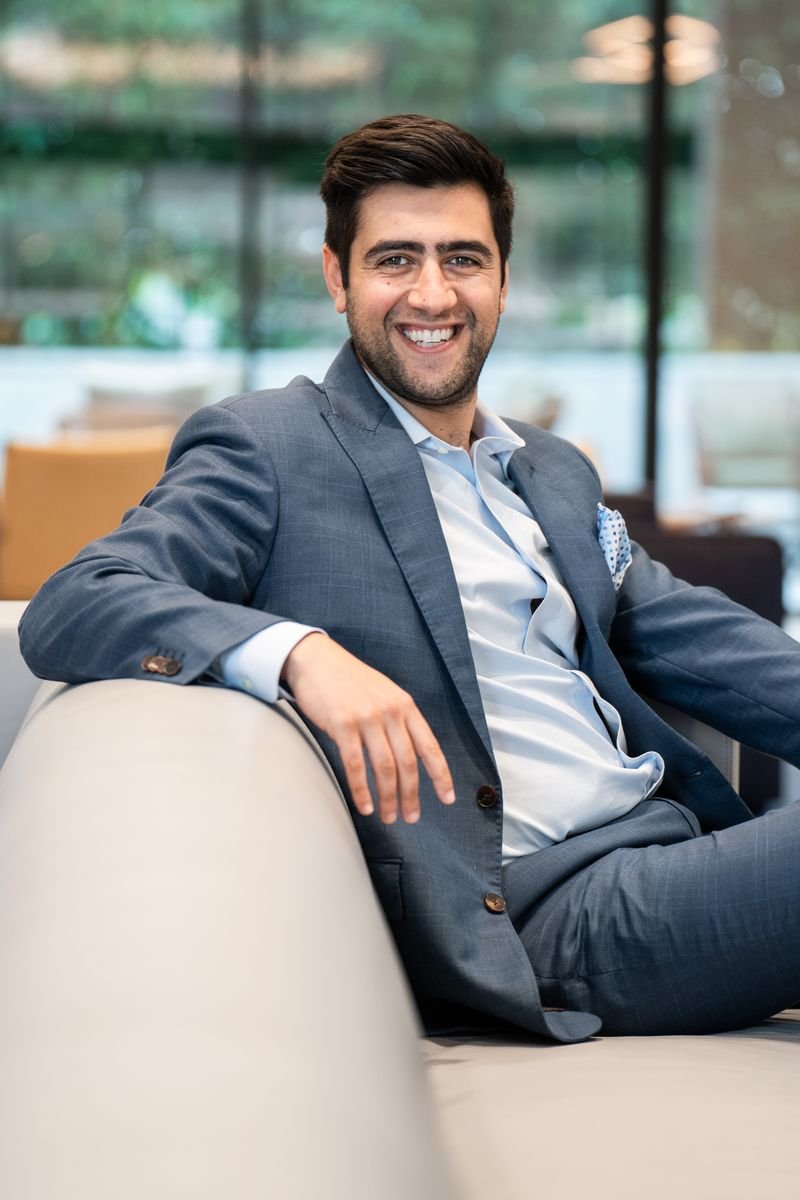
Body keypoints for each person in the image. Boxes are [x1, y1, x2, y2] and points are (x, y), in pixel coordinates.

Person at [18, 114, 800, 1045]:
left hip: (675, 845)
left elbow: (700, 638)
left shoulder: (550, 469)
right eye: (395, 260)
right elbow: (80, 597)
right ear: (336, 278)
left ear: (503, 282)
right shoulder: (270, 447)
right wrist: (298, 652)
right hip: (546, 910)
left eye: (463, 259)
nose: (433, 294)